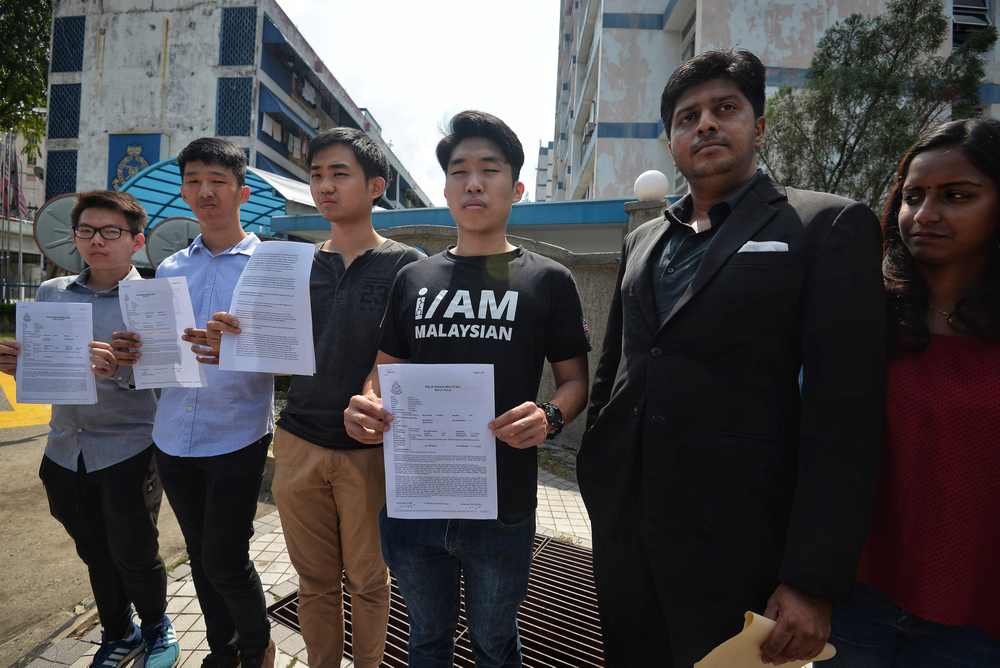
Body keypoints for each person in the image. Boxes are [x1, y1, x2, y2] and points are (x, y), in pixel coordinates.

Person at [576, 49, 887, 667]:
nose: (706, 125)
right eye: (687, 117)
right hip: (629, 539)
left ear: (760, 126)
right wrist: (600, 479)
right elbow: (618, 368)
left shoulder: (824, 225)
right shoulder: (643, 239)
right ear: (671, 142)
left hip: (744, 549)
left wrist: (811, 578)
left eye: (726, 109)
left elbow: (845, 417)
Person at [343, 110, 591, 667]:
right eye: (459, 171)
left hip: (502, 505)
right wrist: (366, 405)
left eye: (489, 169)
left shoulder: (547, 280)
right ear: (447, 187)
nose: (473, 182)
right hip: (413, 503)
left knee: (494, 642)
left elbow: (576, 380)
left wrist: (550, 417)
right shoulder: (415, 278)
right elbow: (383, 369)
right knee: (426, 641)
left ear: (517, 186)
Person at [196, 128, 424, 668]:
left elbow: (410, 355)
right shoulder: (287, 263)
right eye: (316, 175)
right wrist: (232, 342)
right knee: (315, 580)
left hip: (370, 450)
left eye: (338, 174)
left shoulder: (409, 266)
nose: (324, 185)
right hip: (298, 441)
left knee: (369, 579)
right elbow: (274, 355)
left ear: (375, 186)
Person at [826, 118, 1000, 667]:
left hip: (976, 625)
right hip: (857, 603)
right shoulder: (865, 318)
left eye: (957, 196)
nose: (925, 215)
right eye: (913, 196)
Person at [112, 138, 274, 668]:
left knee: (225, 558)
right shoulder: (171, 266)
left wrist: (241, 342)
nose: (205, 191)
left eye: (218, 181)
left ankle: (256, 647)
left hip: (239, 432)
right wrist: (134, 350)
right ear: (183, 191)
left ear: (241, 191)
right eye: (194, 181)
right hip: (174, 433)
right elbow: (155, 350)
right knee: (202, 559)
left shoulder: (269, 267)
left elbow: (293, 352)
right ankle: (222, 650)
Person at [0, 191, 179, 668]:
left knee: (134, 550)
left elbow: (169, 374)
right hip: (64, 449)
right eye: (87, 231)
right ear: (75, 237)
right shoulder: (52, 293)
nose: (97, 241)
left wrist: (117, 370)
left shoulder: (153, 299)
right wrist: (19, 366)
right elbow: (46, 368)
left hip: (128, 448)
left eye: (111, 232)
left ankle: (159, 627)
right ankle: (119, 631)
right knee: (94, 549)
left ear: (136, 241)